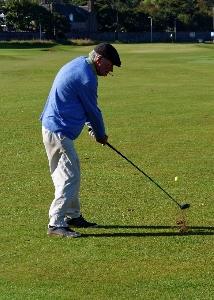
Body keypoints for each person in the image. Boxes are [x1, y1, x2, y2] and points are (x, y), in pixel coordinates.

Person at [40, 43, 121, 238]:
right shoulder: (86, 78)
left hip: (55, 127)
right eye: (110, 66)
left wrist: (92, 128)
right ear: (100, 60)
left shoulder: (80, 64)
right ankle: (55, 223)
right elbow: (93, 110)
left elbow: (80, 105)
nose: (110, 71)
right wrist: (100, 133)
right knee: (68, 177)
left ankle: (72, 215)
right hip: (58, 131)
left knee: (72, 170)